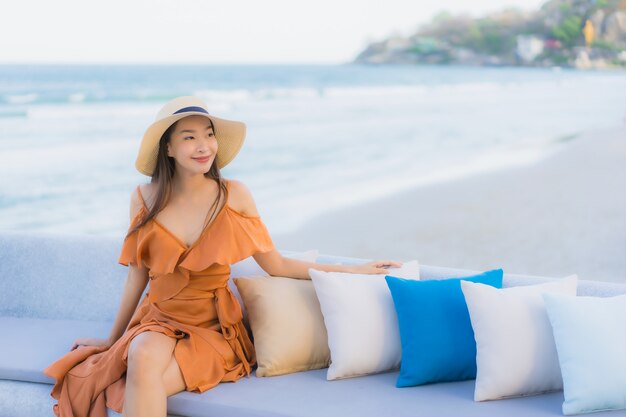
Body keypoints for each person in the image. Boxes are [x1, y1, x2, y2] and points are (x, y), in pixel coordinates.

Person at [44, 96, 402, 417]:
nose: (204, 146)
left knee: (130, 382)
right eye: (189, 137)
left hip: (214, 328)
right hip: (160, 319)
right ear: (167, 148)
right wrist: (111, 338)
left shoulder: (234, 194)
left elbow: (276, 264)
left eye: (209, 134)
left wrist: (351, 270)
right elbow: (137, 275)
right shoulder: (144, 197)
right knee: (141, 356)